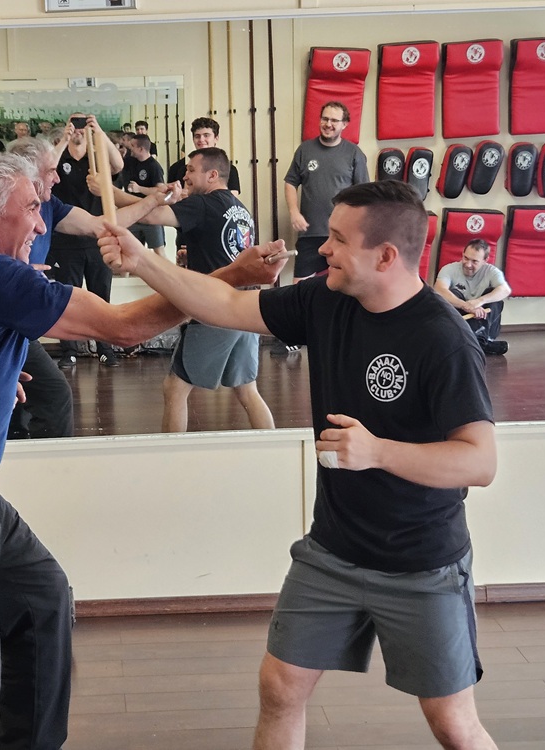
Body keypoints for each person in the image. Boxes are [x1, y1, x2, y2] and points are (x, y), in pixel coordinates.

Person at [0, 151, 284, 750]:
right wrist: (231, 276)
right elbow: (124, 328)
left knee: (40, 598)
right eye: (30, 208)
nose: (38, 224)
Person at [98, 178, 499, 750]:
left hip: (422, 566)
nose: (323, 248)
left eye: (338, 239)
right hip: (332, 551)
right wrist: (143, 260)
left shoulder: (443, 338)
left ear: (386, 256)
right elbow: (226, 304)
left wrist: (379, 451)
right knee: (281, 686)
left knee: (453, 724)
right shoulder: (326, 298)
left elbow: (480, 461)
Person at [6, 135, 183, 439]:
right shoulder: (1, 207)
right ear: (28, 173)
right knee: (45, 398)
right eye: (51, 171)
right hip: (1, 321)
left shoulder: (50, 205)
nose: (57, 178)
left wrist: (153, 200)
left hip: (20, 324)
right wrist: (10, 271)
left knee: (35, 399)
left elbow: (101, 225)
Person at [129, 147, 274, 432]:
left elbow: (151, 217)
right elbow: (229, 251)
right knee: (247, 390)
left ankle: (172, 456)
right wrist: (194, 257)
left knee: (175, 388)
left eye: (191, 170)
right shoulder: (240, 209)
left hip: (217, 308)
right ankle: (273, 448)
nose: (185, 176)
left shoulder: (204, 204)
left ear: (212, 175)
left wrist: (111, 193)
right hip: (248, 307)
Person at [49, 112, 124, 368]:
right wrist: (64, 139)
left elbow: (118, 165)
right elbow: (45, 168)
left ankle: (104, 348)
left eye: (83, 124)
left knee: (101, 298)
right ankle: (69, 350)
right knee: (66, 298)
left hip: (97, 239)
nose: (79, 128)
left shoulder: (97, 158)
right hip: (65, 241)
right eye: (75, 123)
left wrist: (99, 131)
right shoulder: (60, 156)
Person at [284, 101, 369, 279]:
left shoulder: (354, 153)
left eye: (334, 120)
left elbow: (364, 195)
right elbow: (290, 182)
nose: (328, 124)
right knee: (300, 288)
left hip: (342, 235)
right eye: (325, 119)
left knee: (342, 285)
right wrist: (294, 212)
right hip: (310, 234)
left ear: (344, 124)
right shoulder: (304, 150)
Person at [435, 239, 512, 355]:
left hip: (485, 326)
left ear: (485, 260)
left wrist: (479, 301)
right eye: (466, 258)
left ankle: (476, 340)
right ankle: (481, 344)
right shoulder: (449, 269)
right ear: (462, 254)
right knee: (453, 293)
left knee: (495, 297)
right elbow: (439, 290)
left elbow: (505, 290)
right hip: (460, 323)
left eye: (474, 261)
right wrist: (466, 306)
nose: (468, 264)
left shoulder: (492, 272)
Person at [167, 117, 241, 195]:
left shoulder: (229, 170)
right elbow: (170, 197)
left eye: (206, 135)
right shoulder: (176, 169)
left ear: (216, 138)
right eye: (197, 136)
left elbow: (230, 198)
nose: (201, 140)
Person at [123, 134, 167, 258]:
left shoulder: (154, 167)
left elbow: (160, 191)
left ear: (141, 149)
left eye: (133, 146)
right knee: (131, 252)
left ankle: (164, 271)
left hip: (151, 215)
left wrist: (139, 189)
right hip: (134, 214)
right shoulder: (130, 161)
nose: (130, 148)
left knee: (159, 252)